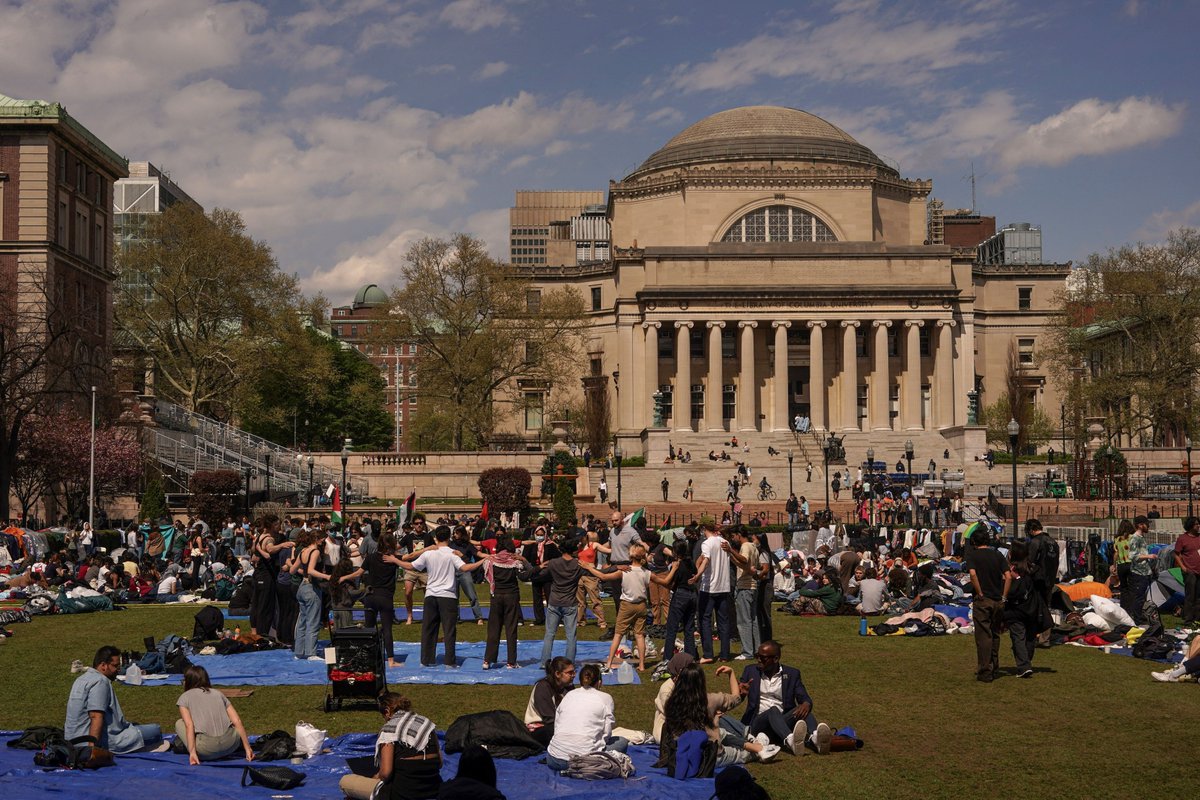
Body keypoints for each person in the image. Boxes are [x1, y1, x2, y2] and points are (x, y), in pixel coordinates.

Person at [657, 663, 779, 772]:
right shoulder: (710, 700)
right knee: (741, 754)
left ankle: (754, 743)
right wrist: (731, 673)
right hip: (708, 757)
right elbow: (736, 698)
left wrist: (713, 718)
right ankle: (760, 750)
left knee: (723, 732)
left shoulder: (671, 702)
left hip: (679, 755)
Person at [397, 526, 489, 668]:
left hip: (431, 595)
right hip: (448, 597)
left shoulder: (429, 554)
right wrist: (481, 561)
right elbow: (465, 568)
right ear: (449, 537)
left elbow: (410, 565)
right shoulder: (452, 554)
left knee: (428, 630)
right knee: (449, 630)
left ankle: (426, 660)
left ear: (436, 538)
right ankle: (449, 662)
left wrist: (395, 560)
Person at [339, 692, 443, 800]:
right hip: (433, 789)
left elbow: (385, 773)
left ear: (387, 711)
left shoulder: (389, 730)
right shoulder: (426, 724)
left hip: (403, 793)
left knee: (346, 782)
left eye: (383, 715)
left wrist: (374, 778)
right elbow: (439, 763)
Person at [737, 640, 831, 755]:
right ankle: (790, 740)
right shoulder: (750, 671)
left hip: (781, 721)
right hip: (758, 722)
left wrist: (806, 704)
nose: (758, 660)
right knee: (773, 710)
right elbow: (737, 698)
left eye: (763, 657)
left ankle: (816, 739)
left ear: (776, 659)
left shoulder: (792, 674)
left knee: (803, 710)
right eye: (757, 656)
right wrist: (741, 693)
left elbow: (804, 697)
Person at [65, 645, 163, 754]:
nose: (118, 670)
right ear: (103, 665)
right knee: (155, 730)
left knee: (134, 725)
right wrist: (92, 750)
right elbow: (96, 716)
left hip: (72, 741)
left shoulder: (81, 679)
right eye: (115, 666)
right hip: (95, 742)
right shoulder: (100, 682)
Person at [585, 544, 666, 672]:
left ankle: (610, 662)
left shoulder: (625, 571)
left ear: (631, 555)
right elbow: (665, 582)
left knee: (618, 635)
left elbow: (603, 576)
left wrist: (587, 567)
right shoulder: (647, 573)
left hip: (627, 605)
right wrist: (674, 570)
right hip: (641, 605)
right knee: (640, 635)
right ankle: (641, 665)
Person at [544, 664, 628, 772]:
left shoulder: (569, 695)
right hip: (584, 759)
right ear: (599, 682)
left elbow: (558, 723)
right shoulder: (606, 698)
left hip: (554, 759)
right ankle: (584, 765)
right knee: (622, 742)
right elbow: (607, 732)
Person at [341, 531, 407, 668]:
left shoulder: (371, 557)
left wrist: (343, 577)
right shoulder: (393, 559)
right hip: (385, 598)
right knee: (387, 629)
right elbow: (410, 562)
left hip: (370, 596)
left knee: (369, 629)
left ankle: (369, 658)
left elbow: (358, 573)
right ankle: (390, 660)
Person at [175, 664, 254, 764]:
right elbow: (237, 720)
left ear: (189, 681)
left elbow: (189, 725)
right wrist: (248, 748)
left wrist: (192, 752)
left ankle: (193, 747)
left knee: (179, 723)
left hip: (206, 750)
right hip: (231, 745)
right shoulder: (219, 693)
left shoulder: (184, 697)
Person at [965, 525, 1010, 683]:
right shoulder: (997, 555)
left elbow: (972, 574)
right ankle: (994, 665)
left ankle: (985, 670)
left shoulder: (973, 556)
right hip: (998, 599)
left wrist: (980, 592)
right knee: (995, 633)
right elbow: (1008, 576)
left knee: (983, 636)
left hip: (983, 600)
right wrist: (1004, 596)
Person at [1003, 543, 1051, 679]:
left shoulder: (1012, 571)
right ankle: (1026, 661)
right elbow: (1043, 585)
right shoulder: (1033, 569)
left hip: (1017, 608)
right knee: (1029, 636)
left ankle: (1024, 665)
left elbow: (1012, 591)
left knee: (1018, 636)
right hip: (1032, 608)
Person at [536, 537, 584, 666]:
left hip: (554, 602)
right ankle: (569, 663)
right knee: (571, 636)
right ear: (573, 550)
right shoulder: (578, 565)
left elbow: (540, 574)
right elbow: (597, 573)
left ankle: (544, 662)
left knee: (549, 634)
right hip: (569, 603)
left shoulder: (553, 563)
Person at [692, 521, 733, 663]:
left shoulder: (707, 543)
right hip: (724, 586)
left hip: (709, 587)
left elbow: (705, 561)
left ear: (704, 530)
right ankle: (725, 654)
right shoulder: (725, 542)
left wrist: (697, 575)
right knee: (723, 621)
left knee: (705, 620)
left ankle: (708, 654)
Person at [290, 527, 333, 661]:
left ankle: (299, 652)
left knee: (302, 621)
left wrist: (306, 573)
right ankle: (311, 653)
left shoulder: (303, 551)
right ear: (316, 539)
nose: (322, 542)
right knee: (313, 621)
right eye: (321, 539)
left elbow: (292, 570)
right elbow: (311, 570)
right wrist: (326, 577)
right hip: (311, 589)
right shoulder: (314, 552)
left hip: (302, 587)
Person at [729, 527, 767, 660]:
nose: (733, 539)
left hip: (745, 587)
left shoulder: (745, 546)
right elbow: (745, 565)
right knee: (753, 620)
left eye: (733, 536)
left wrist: (731, 550)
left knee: (743, 621)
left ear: (739, 535)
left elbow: (744, 560)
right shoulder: (753, 546)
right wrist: (732, 557)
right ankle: (757, 649)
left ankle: (747, 652)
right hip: (752, 586)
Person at [524, 656, 574, 747]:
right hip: (539, 729)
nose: (573, 675)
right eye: (569, 673)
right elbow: (549, 718)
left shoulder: (568, 687)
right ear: (557, 674)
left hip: (557, 725)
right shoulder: (543, 687)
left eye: (574, 672)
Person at [1173, 516, 1200, 626]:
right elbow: (1176, 554)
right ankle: (1188, 619)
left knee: (1198, 596)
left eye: (1199, 524)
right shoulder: (1182, 539)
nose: (1198, 526)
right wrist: (1183, 567)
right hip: (1190, 571)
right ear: (1190, 526)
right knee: (1190, 596)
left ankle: (1197, 618)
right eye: (1196, 524)